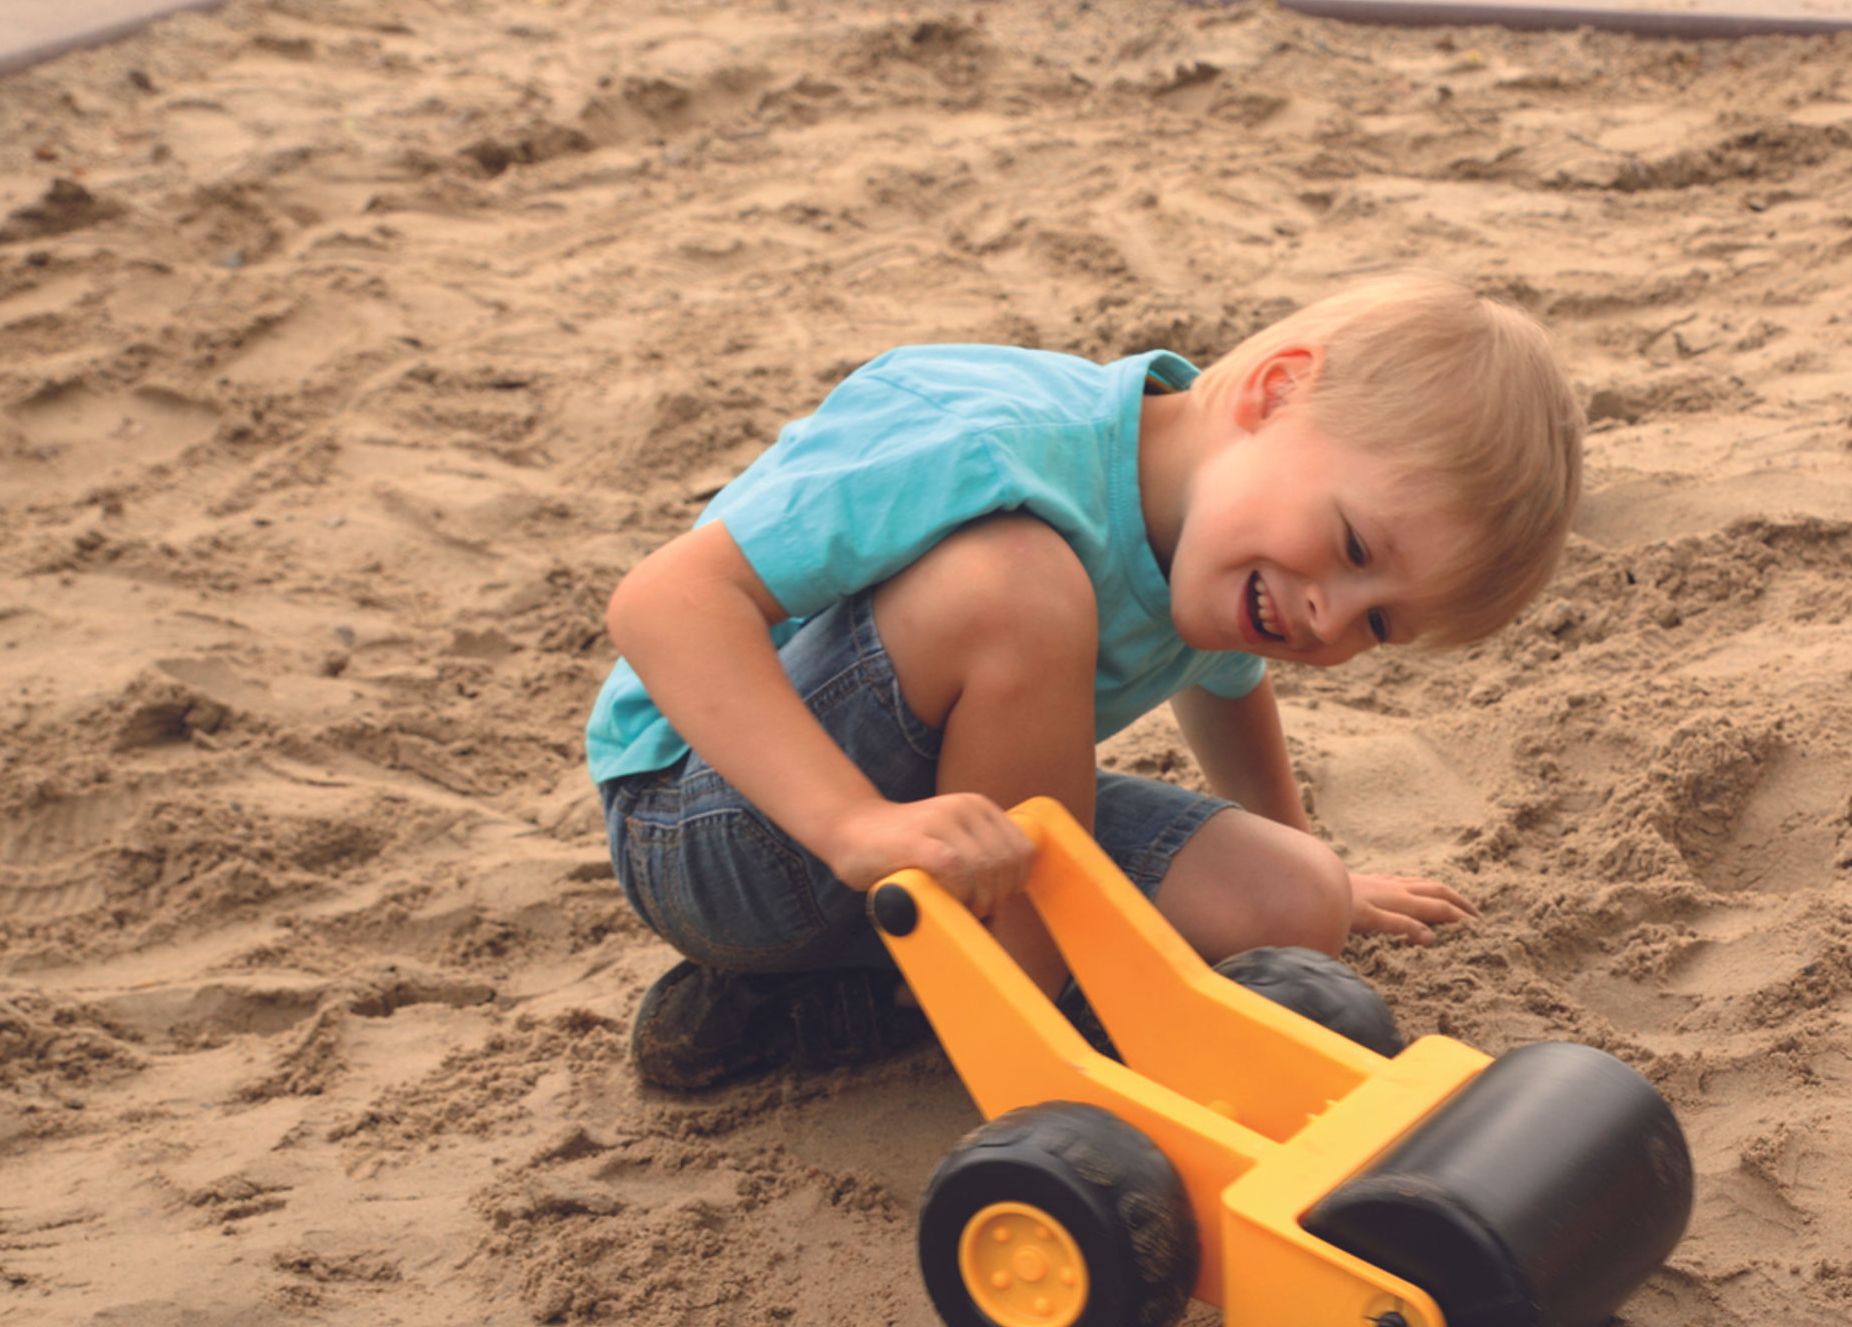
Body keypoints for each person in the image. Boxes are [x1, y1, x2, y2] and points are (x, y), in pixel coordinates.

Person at [588, 271, 1580, 1091]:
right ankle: (1023, 1034)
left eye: (1379, 624)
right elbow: (664, 601)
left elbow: (1225, 684)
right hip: (719, 823)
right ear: (1275, 391)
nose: (1330, 617)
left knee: (1293, 900)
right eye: (1354, 546)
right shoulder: (992, 441)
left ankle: (824, 1009)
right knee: (1018, 585)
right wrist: (852, 823)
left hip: (945, 847)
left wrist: (1322, 867)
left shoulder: (1229, 541)